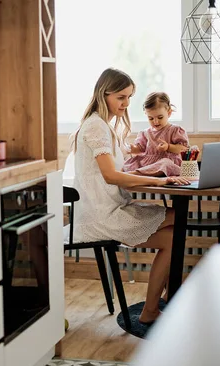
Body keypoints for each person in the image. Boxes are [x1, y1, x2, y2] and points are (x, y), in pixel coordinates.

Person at [70, 68, 189, 324]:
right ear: (104, 94)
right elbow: (112, 176)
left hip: (111, 208)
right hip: (100, 217)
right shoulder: (95, 127)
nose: (126, 104)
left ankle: (165, 299)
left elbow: (116, 174)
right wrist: (161, 177)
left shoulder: (103, 126)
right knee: (173, 235)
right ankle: (153, 309)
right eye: (121, 97)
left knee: (176, 224)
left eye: (129, 97)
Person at [123, 92, 189, 176]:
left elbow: (183, 149)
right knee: (132, 162)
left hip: (167, 164)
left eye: (160, 117)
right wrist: (133, 149)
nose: (156, 121)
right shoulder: (146, 133)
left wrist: (168, 147)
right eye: (151, 118)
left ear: (169, 113)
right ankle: (142, 173)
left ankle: (136, 173)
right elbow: (141, 149)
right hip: (149, 164)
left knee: (165, 163)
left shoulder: (175, 130)